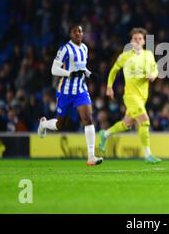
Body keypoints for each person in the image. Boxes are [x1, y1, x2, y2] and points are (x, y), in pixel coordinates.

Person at [37, 24, 103, 166]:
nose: (78, 33)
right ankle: (44, 124)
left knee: (88, 119)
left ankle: (91, 156)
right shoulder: (65, 49)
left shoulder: (84, 48)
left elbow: (82, 67)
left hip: (80, 90)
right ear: (70, 35)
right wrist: (69, 73)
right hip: (65, 91)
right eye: (75, 32)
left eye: (80, 31)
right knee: (61, 125)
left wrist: (90, 74)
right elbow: (54, 69)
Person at [99, 28, 161, 164]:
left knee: (127, 124)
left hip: (142, 96)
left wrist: (153, 75)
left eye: (140, 38)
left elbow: (155, 69)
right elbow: (114, 70)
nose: (137, 41)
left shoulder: (149, 54)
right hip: (131, 96)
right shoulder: (125, 56)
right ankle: (148, 155)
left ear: (144, 41)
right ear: (131, 41)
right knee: (145, 121)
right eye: (135, 39)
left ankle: (105, 134)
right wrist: (109, 87)